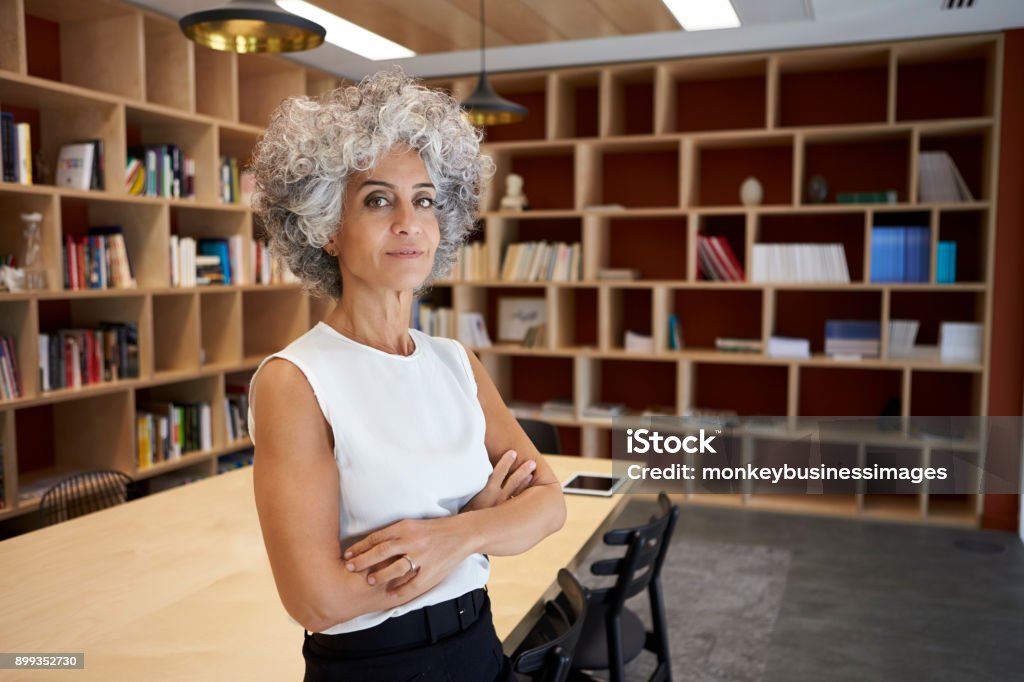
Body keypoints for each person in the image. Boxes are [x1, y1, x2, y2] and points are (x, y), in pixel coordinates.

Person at [247, 69, 567, 681]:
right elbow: (316, 599)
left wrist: (455, 535)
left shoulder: (456, 363)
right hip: (378, 667)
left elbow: (549, 504)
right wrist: (481, 527)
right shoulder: (296, 381)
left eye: (423, 199)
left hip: (478, 645)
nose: (408, 221)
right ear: (327, 230)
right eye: (377, 199)